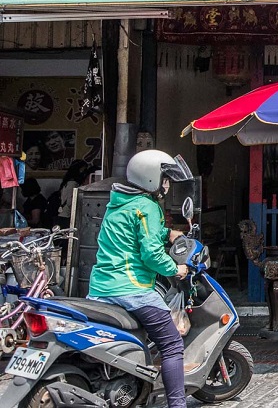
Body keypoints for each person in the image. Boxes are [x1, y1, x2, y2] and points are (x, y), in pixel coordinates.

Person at [88, 150, 192, 408]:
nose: (166, 184)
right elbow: (151, 255)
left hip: (101, 288)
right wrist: (175, 269)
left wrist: (168, 233)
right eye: (164, 178)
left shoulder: (119, 201)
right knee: (171, 344)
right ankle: (177, 404)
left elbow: (133, 234)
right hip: (131, 289)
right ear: (149, 178)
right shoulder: (147, 206)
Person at [49, 160, 94, 228]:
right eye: (82, 170)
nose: (83, 173)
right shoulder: (72, 183)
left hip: (63, 214)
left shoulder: (67, 182)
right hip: (66, 215)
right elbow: (70, 202)